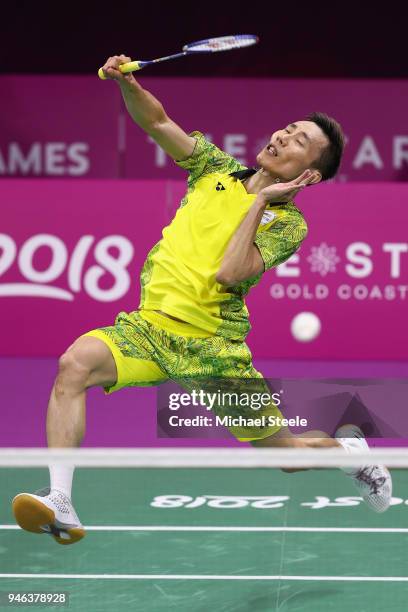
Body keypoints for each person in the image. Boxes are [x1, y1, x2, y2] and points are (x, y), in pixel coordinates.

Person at [12, 55, 391, 545]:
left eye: (299, 141)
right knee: (74, 365)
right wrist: (127, 83)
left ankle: (352, 456)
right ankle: (60, 499)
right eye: (287, 128)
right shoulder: (214, 168)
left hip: (214, 349)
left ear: (310, 176)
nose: (282, 137)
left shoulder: (289, 224)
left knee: (289, 459)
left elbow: (230, 272)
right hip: (147, 329)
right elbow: (157, 120)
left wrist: (258, 201)